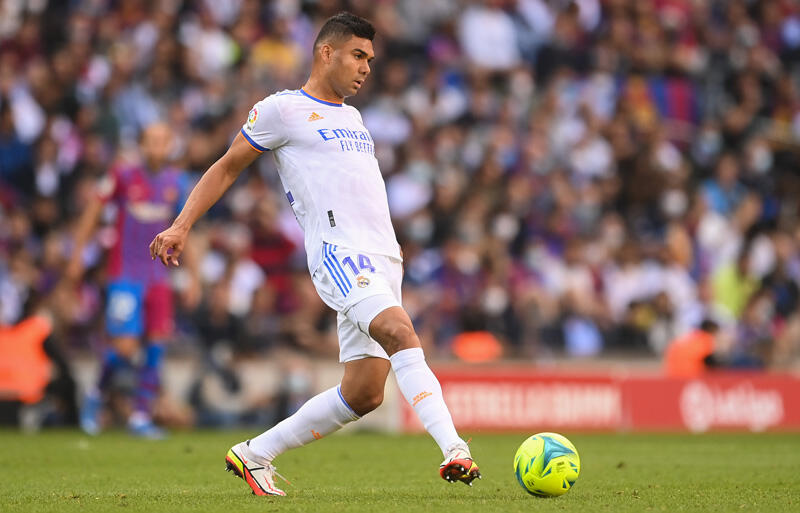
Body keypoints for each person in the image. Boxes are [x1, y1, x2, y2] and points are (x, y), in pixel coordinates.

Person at [150, 12, 480, 496]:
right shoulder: (282, 110)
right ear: (326, 52)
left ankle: (254, 453)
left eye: (370, 59)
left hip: (383, 259)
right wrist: (182, 225)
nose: (366, 68)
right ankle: (455, 449)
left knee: (364, 393)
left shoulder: (354, 118)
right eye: (358, 55)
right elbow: (227, 166)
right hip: (340, 254)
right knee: (400, 331)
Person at [69, 122, 191, 438]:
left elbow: (188, 228)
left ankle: (140, 416)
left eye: (162, 140)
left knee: (157, 344)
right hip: (125, 274)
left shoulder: (177, 182)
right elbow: (94, 210)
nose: (156, 146)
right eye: (151, 140)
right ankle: (96, 394)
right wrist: (77, 254)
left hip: (159, 276)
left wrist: (192, 276)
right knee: (124, 347)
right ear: (142, 144)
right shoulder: (122, 176)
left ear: (170, 145)